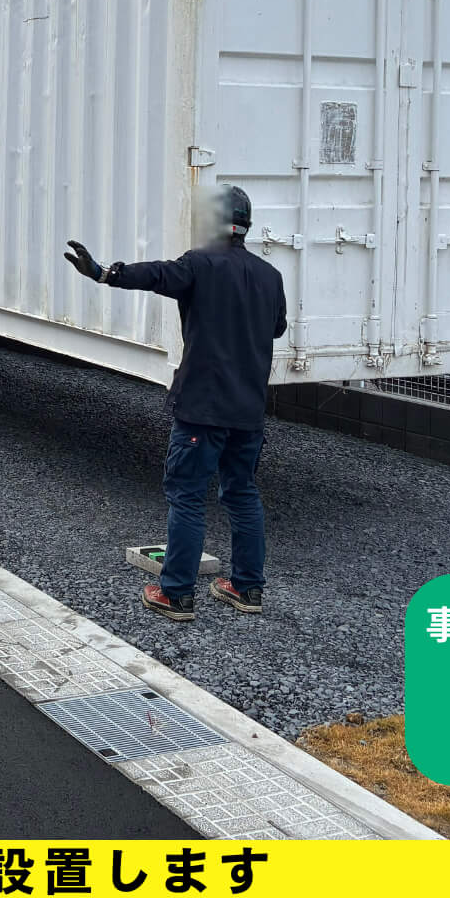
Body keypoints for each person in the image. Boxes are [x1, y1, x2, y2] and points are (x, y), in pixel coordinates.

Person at [66, 184, 287, 622]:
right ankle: (247, 588)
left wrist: (104, 273)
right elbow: (277, 328)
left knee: (187, 495)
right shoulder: (270, 276)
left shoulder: (199, 264)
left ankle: (177, 594)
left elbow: (156, 275)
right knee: (242, 493)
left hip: (202, 408)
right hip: (249, 410)